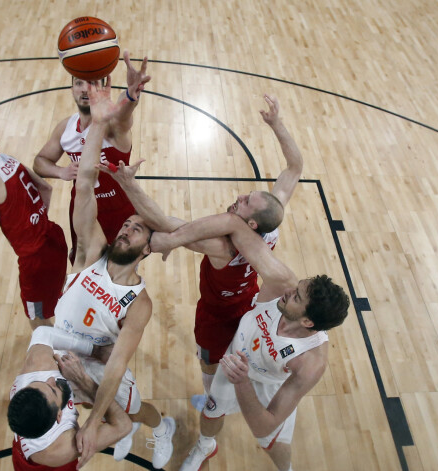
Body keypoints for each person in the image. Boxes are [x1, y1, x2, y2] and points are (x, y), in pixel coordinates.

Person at [100, 94, 303, 407]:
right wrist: (277, 125)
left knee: (209, 363)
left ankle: (214, 401)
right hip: (251, 304)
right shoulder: (269, 224)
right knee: (239, 357)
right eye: (248, 195)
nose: (239, 197)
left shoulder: (220, 246)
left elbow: (164, 222)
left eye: (245, 203)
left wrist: (130, 185)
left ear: (249, 224)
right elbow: (294, 168)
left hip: (217, 315)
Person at [150, 214, 350, 471]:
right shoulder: (282, 282)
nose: (289, 290)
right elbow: (234, 225)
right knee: (211, 411)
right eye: (297, 287)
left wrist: (242, 381)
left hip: (266, 383)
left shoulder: (311, 361)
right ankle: (206, 445)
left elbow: (263, 424)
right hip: (236, 360)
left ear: (308, 323)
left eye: (296, 297)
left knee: (270, 440)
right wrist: (173, 240)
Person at [53, 77, 175, 469]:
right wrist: (99, 124)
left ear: (148, 249)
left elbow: (117, 363)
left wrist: (93, 423)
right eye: (126, 225)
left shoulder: (138, 303)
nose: (125, 228)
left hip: (98, 369)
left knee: (136, 412)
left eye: (137, 229)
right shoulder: (90, 252)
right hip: (64, 354)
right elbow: (86, 183)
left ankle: (162, 428)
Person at [33, 51, 151, 262]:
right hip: (82, 207)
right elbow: (40, 162)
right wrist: (60, 171)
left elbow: (125, 114)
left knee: (119, 269)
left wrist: (132, 96)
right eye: (79, 83)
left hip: (118, 210)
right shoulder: (65, 127)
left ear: (104, 88)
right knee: (81, 264)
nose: (85, 89)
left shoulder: (113, 125)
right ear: (72, 89)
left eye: (93, 83)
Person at [0, 115, 68, 330]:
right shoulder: (8, 159)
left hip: (35, 259)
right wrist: (35, 220)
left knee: (39, 322)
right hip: (54, 238)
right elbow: (46, 188)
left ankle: (54, 359)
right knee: (56, 300)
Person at [8, 326, 132, 470]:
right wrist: (84, 381)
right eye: (53, 390)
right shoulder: (58, 449)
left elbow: (42, 333)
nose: (51, 380)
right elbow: (123, 425)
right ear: (59, 416)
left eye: (42, 383)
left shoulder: (37, 367)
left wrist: (95, 350)